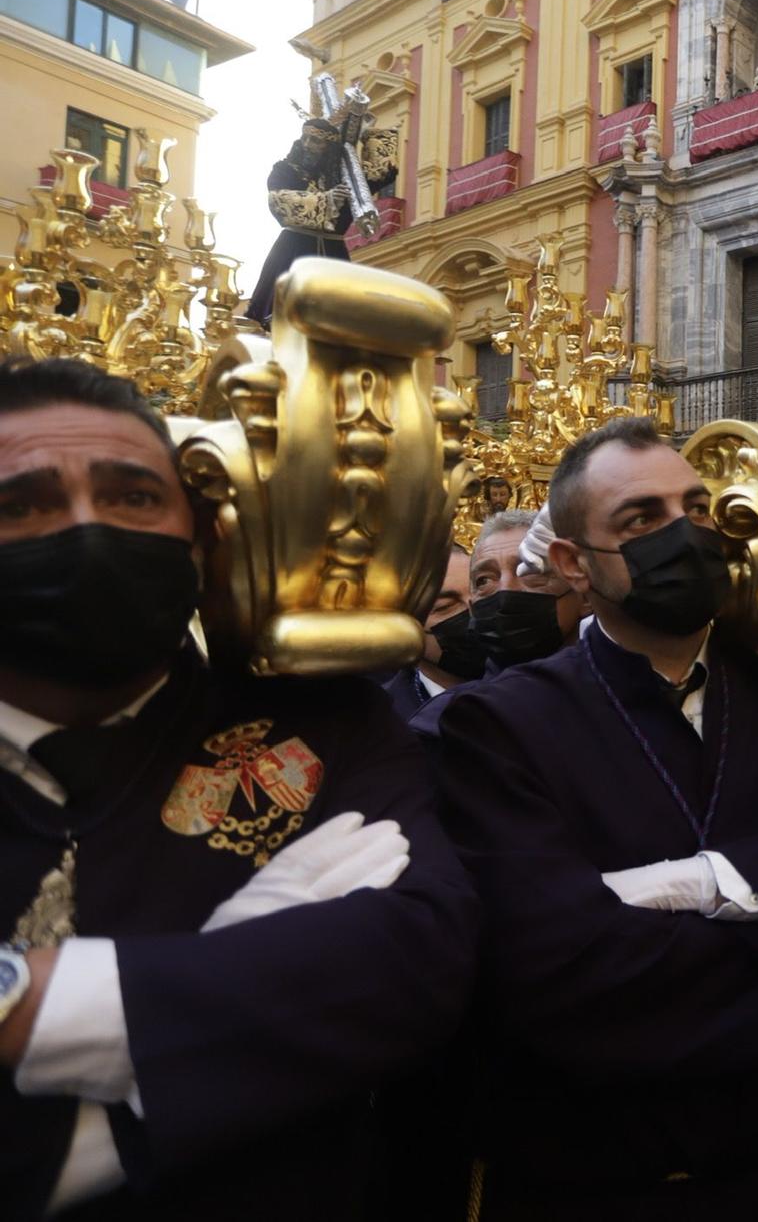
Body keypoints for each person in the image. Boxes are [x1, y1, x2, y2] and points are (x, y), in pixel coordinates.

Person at [0, 356, 477, 1216]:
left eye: (132, 496)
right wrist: (234, 983)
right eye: (20, 503)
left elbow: (414, 964)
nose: (87, 528)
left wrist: (29, 1001)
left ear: (201, 532)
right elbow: (334, 990)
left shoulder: (328, 724)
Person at [428, 417, 758, 1219]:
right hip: (591, 1180)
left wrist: (702, 886)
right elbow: (560, 975)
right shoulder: (492, 726)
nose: (684, 534)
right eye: (641, 519)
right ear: (570, 564)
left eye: (696, 509)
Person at [244, 116, 398, 328]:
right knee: (286, 312)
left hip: (333, 251)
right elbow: (279, 200)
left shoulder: (346, 176)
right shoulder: (284, 170)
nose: (308, 145)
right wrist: (327, 200)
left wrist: (365, 133)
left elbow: (383, 171)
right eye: (305, 138)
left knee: (338, 319)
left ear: (330, 147)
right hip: (294, 249)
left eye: (316, 141)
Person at [465, 509, 585, 670]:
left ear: (585, 596)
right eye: (484, 580)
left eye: (531, 571)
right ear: (472, 609)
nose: (505, 589)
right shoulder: (464, 696)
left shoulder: (622, 687)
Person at [382, 545, 479, 719]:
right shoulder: (381, 717)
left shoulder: (534, 683)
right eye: (445, 606)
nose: (475, 612)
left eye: (480, 590)